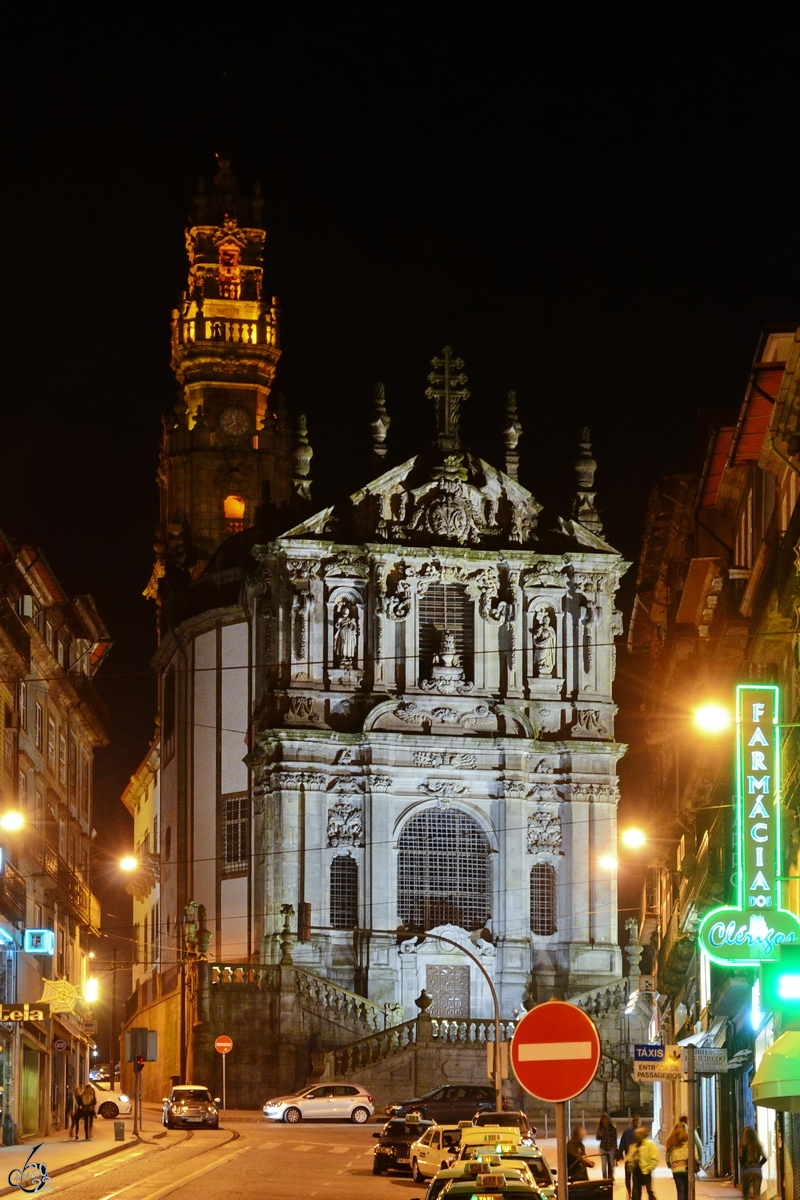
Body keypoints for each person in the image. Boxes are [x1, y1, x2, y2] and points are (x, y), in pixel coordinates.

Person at [626, 1126, 659, 1200]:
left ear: (644, 1134)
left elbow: (655, 1158)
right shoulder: (633, 1146)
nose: (636, 1135)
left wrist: (649, 1168)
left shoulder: (650, 1145)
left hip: (646, 1171)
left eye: (639, 1133)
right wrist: (630, 1163)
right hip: (636, 1171)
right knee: (636, 1193)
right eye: (636, 1133)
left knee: (649, 1191)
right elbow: (629, 1157)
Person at [739, 1126, 766, 1200]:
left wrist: (743, 1167)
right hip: (757, 1169)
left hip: (746, 1170)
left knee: (746, 1194)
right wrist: (759, 1165)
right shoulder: (758, 1145)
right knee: (757, 1194)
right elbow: (765, 1158)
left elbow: (741, 1158)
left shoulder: (742, 1145)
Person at [618, 1114, 641, 1197]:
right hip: (637, 1158)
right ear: (638, 1122)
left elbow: (622, 1144)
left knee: (627, 1176)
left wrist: (619, 1155)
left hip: (628, 1157)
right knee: (635, 1176)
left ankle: (629, 1191)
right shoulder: (640, 1132)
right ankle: (634, 1193)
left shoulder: (626, 1131)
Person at [665, 1123, 689, 1200]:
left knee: (680, 1190)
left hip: (676, 1169)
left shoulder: (671, 1144)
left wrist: (669, 1164)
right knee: (687, 1190)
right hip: (687, 1168)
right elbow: (695, 1155)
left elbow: (667, 1156)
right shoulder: (689, 1142)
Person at [596, 1113, 618, 1179]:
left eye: (606, 1119)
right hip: (603, 1147)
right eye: (603, 1120)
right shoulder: (600, 1129)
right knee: (603, 1164)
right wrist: (599, 1134)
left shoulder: (612, 1128)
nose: (605, 1121)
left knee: (611, 1164)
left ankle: (611, 1176)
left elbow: (615, 1138)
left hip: (611, 1148)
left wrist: (615, 1147)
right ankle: (604, 1177)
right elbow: (597, 1138)